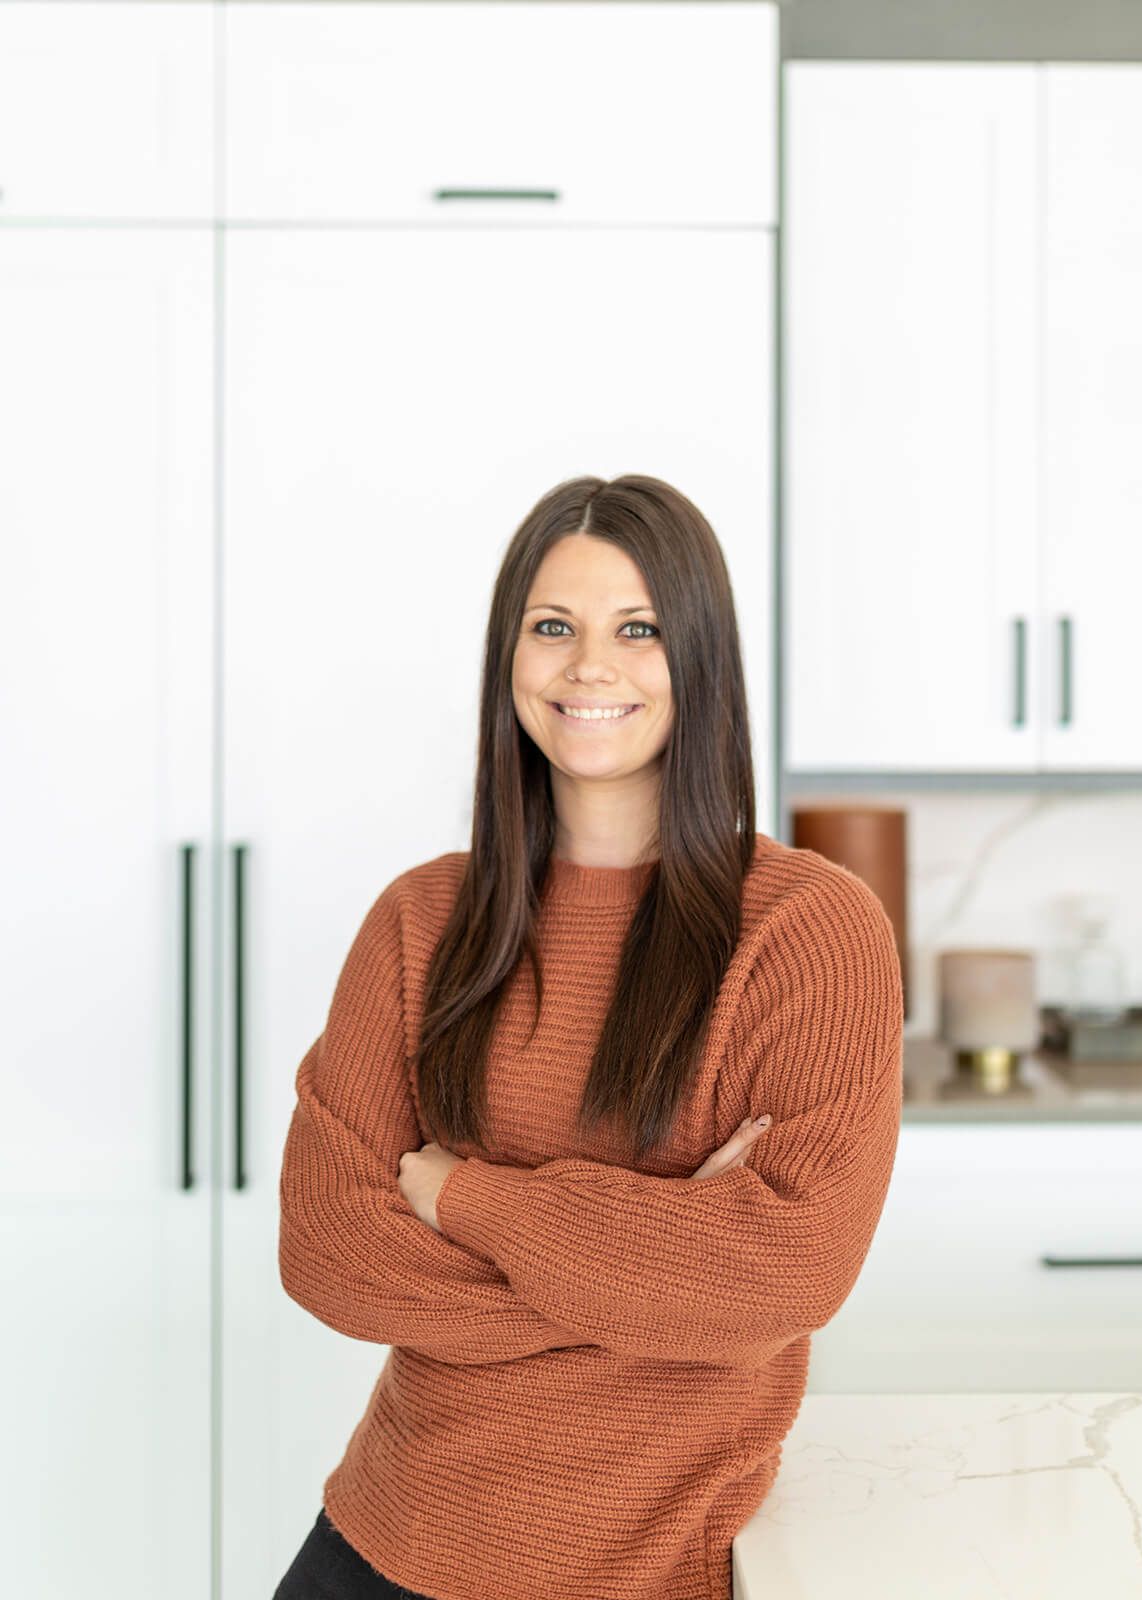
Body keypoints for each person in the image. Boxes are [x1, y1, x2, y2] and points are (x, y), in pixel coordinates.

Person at [272, 473, 905, 1600]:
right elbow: (329, 1250)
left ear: (699, 656)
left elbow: (789, 1272)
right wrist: (667, 1278)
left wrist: (466, 1196)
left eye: (640, 629)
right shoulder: (423, 920)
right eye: (553, 626)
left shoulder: (808, 930)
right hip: (384, 1543)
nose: (589, 667)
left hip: (641, 1565)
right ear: (508, 657)